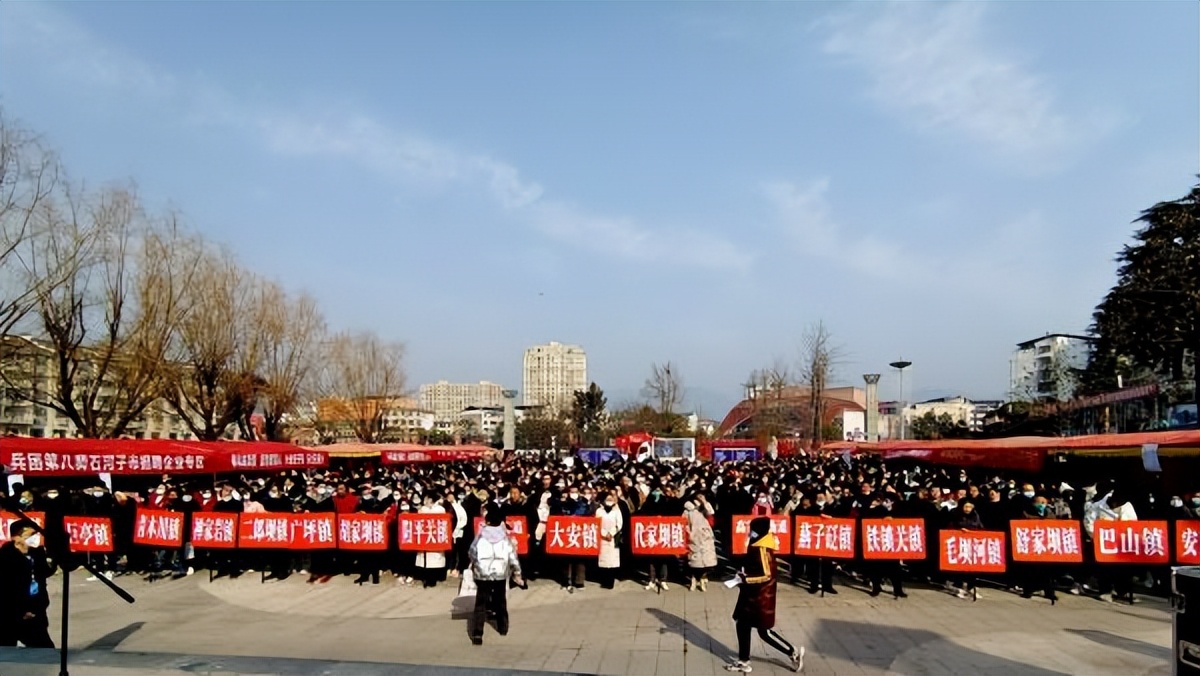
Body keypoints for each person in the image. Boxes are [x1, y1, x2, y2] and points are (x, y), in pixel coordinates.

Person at [726, 517, 804, 674]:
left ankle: (792, 652)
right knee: (743, 625)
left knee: (764, 631)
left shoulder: (762, 549)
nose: (751, 533)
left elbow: (766, 575)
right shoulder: (757, 544)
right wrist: (743, 574)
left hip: (760, 598)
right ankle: (744, 660)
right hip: (751, 595)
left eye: (753, 530)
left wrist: (745, 579)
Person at [468, 506, 523, 646]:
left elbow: (472, 552)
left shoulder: (480, 536)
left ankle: (477, 633)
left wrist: (476, 565)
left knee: (480, 603)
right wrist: (517, 573)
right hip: (500, 573)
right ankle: (503, 627)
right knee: (500, 600)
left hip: (483, 574)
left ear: (487, 521)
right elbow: (512, 557)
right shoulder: (505, 538)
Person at [0, 519, 56, 648]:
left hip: (35, 613)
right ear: (16, 537)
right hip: (10, 615)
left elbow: (45, 572)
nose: (34, 538)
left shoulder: (38, 554)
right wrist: (20, 611)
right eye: (30, 535)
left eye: (35, 534)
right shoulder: (5, 557)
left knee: (45, 650)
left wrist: (53, 559)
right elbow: (5, 590)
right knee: (6, 650)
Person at [685, 500, 717, 591]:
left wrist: (705, 504)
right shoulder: (688, 510)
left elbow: (712, 521)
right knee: (694, 562)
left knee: (708, 562)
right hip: (694, 539)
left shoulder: (706, 508)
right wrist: (689, 534)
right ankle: (694, 579)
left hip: (706, 538)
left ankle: (702, 578)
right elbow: (684, 523)